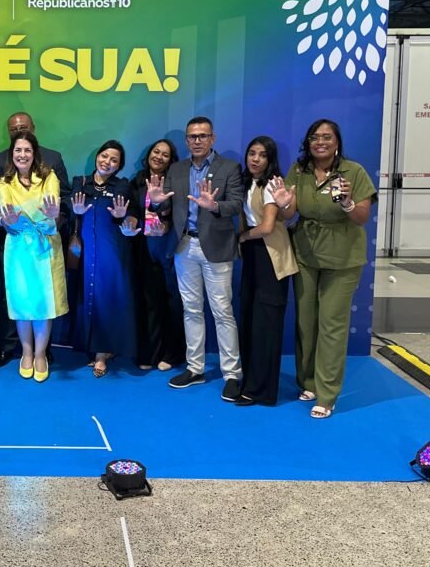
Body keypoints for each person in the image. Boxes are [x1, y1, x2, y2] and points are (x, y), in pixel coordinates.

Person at [272, 119, 376, 419]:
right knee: (306, 322)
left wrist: (347, 203)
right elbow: (290, 213)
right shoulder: (299, 170)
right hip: (305, 254)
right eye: (315, 137)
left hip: (343, 258)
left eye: (327, 137)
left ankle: (328, 394)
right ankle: (308, 382)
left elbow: (362, 217)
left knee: (332, 324)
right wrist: (283, 204)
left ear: (337, 142)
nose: (320, 142)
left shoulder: (353, 171)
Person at [147, 116, 244, 399]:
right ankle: (195, 368)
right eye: (192, 136)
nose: (197, 140)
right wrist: (156, 202)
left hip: (217, 247)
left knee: (222, 311)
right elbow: (164, 206)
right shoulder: (177, 169)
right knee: (191, 309)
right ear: (187, 141)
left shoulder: (229, 167)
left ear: (213, 138)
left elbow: (236, 204)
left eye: (203, 136)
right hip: (184, 246)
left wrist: (215, 206)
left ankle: (232, 374)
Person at [0, 112, 69, 367]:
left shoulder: (50, 173)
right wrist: (6, 221)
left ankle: (41, 354)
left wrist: (55, 216)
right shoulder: (3, 181)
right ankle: (25, 353)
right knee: (19, 301)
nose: (22, 154)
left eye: (27, 150)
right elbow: (0, 209)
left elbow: (56, 204)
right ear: (12, 151)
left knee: (45, 302)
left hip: (45, 245)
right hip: (17, 245)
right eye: (18, 150)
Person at [235, 136, 298, 407]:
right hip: (253, 254)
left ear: (270, 159)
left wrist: (241, 237)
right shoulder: (246, 183)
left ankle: (261, 391)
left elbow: (267, 227)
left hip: (270, 256)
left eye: (262, 155)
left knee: (266, 325)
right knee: (250, 320)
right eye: (252, 153)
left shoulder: (273, 184)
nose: (255, 159)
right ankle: (250, 382)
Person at [70, 140, 135, 377]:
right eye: (104, 156)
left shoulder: (122, 185)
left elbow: (125, 211)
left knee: (108, 298)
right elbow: (71, 208)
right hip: (86, 250)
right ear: (97, 156)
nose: (107, 162)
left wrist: (121, 215)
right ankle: (92, 346)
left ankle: (103, 352)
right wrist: (75, 211)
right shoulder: (80, 182)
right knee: (88, 297)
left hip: (111, 250)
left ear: (119, 166)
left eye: (114, 160)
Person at [122, 139, 185, 371]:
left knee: (173, 303)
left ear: (171, 160)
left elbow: (176, 213)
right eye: (156, 152)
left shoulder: (175, 182)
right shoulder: (137, 180)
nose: (159, 156)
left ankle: (173, 353)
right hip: (145, 250)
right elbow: (132, 210)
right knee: (150, 303)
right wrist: (130, 221)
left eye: (165, 154)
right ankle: (150, 353)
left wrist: (164, 224)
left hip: (169, 249)